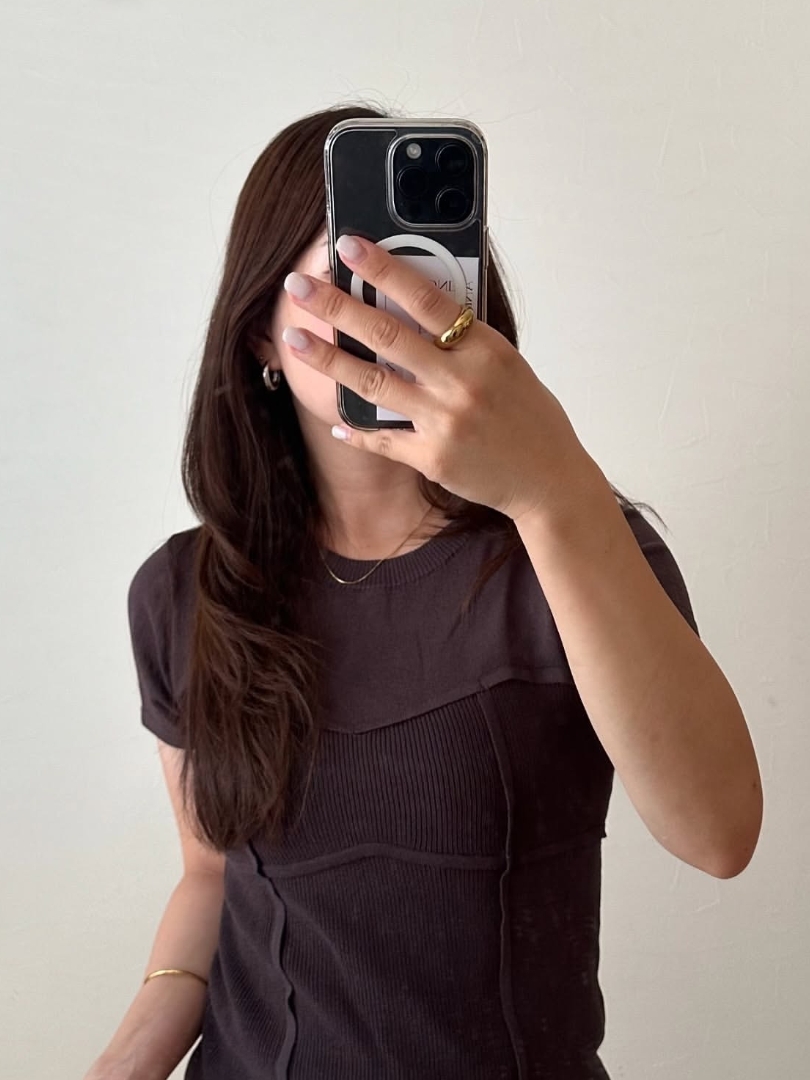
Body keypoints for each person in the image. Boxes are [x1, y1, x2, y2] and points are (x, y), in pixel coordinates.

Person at [85, 104, 762, 1080]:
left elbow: (719, 834)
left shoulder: (569, 547)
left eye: (414, 272)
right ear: (263, 337)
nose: (383, 314)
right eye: (345, 280)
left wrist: (551, 485)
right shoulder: (186, 593)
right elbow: (210, 871)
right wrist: (125, 1060)